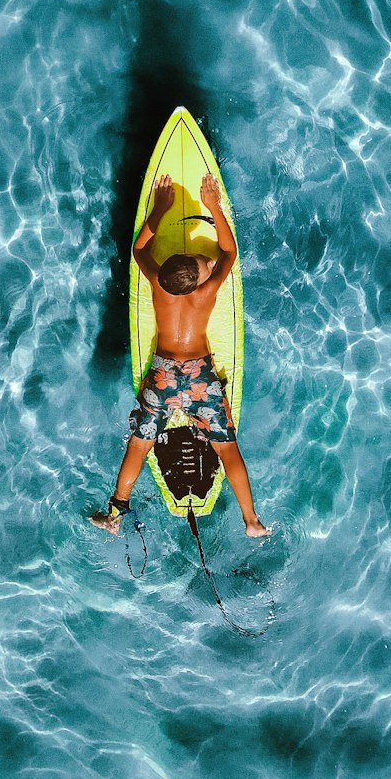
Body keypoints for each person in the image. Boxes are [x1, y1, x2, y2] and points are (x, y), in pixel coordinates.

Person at [91, 172, 270, 538]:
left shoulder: (158, 282)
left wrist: (158, 212)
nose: (205, 262)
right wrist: (213, 207)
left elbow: (139, 251)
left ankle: (114, 514)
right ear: (201, 281)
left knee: (139, 446)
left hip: (162, 376)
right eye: (203, 264)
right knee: (228, 451)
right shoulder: (207, 291)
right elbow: (229, 251)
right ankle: (251, 522)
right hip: (201, 379)